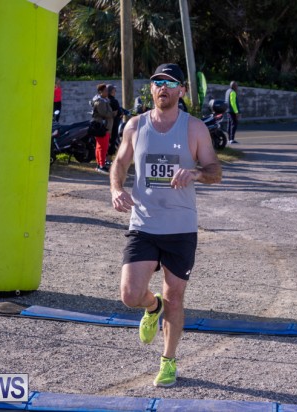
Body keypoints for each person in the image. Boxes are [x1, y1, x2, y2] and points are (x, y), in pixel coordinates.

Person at [110, 63, 222, 387]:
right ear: (152, 89)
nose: (163, 88)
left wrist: (196, 173)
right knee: (130, 294)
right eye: (158, 82)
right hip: (144, 223)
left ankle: (168, 360)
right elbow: (119, 162)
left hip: (180, 228)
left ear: (181, 91)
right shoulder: (135, 125)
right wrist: (116, 189)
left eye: (171, 83)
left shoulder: (194, 128)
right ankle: (151, 306)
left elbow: (215, 170)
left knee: (176, 297)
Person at [91, 83, 113, 174]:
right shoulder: (100, 102)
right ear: (100, 92)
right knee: (102, 147)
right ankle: (101, 165)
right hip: (103, 127)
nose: (107, 92)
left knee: (101, 146)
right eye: (105, 91)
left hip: (103, 127)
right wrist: (113, 113)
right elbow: (104, 113)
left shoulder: (104, 100)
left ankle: (100, 164)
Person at [107, 84, 122, 158]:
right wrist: (121, 113)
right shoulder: (114, 101)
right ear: (111, 91)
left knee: (107, 140)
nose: (115, 91)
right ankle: (110, 156)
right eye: (114, 90)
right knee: (113, 139)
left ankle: (106, 156)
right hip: (114, 123)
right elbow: (119, 112)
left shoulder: (105, 100)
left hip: (106, 123)